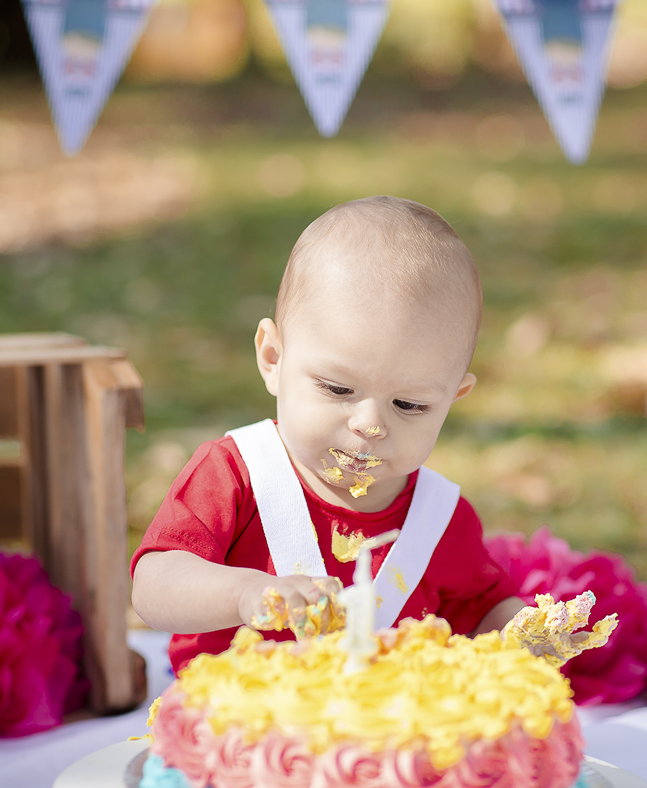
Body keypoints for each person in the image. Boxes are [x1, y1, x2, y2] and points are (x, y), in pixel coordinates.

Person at [130, 196, 528, 673]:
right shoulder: (237, 474)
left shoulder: (438, 517)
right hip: (234, 712)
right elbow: (153, 586)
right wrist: (244, 593)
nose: (370, 424)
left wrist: (523, 633)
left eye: (409, 405)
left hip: (387, 719)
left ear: (453, 398)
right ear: (273, 358)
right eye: (338, 389)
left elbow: (482, 614)